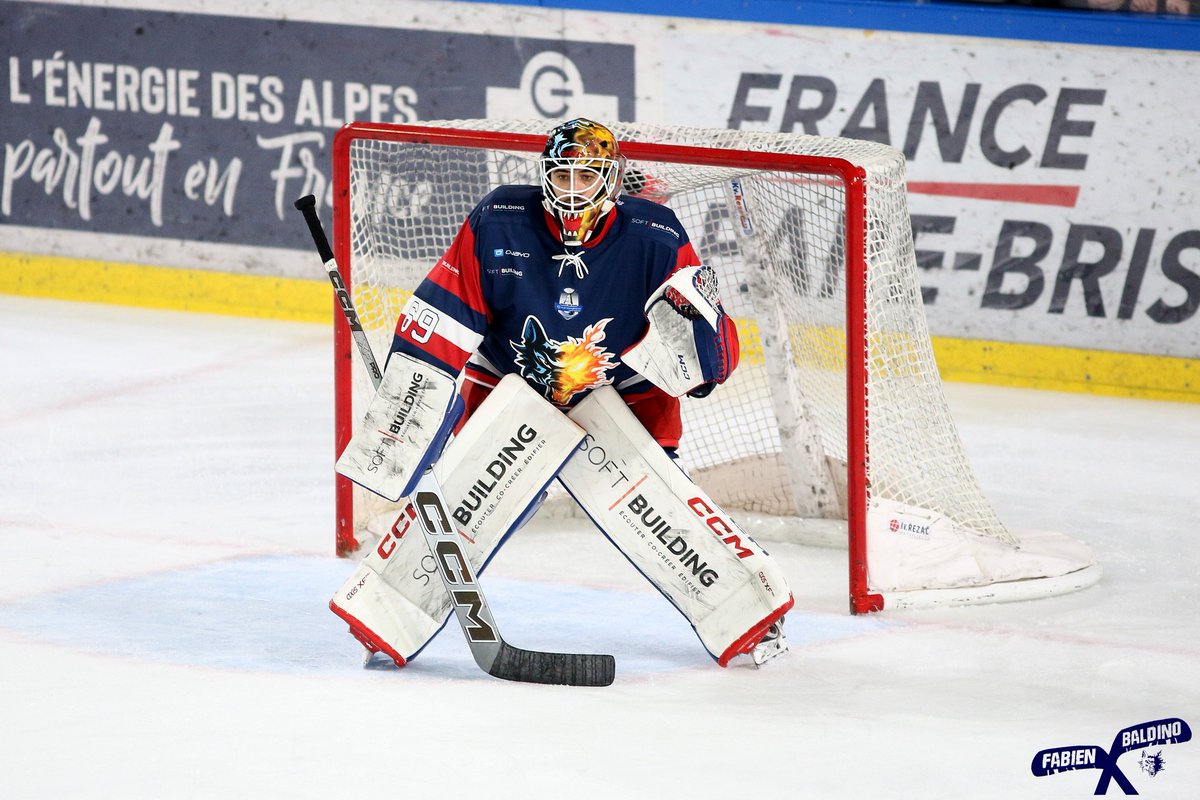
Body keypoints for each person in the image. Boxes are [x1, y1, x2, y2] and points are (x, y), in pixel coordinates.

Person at [378, 118, 787, 666]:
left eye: (587, 177)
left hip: (622, 393)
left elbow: (701, 352)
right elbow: (445, 311)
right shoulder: (499, 220)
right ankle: (385, 610)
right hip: (511, 382)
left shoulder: (655, 236)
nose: (572, 190)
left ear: (610, 180)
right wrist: (411, 403)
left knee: (663, 510)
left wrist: (706, 347)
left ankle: (751, 615)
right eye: (562, 176)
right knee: (463, 501)